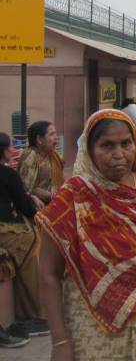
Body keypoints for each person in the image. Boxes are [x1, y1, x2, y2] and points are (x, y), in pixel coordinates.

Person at [37, 109, 136, 360]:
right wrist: (60, 340)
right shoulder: (73, 198)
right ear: (90, 150)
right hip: (93, 322)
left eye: (126, 143)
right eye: (107, 145)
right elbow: (48, 273)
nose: (118, 154)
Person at [0, 132, 47, 348]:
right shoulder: (9, 173)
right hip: (10, 232)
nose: (13, 150)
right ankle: (29, 314)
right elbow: (25, 205)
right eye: (10, 147)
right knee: (31, 246)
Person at [17, 121, 63, 205]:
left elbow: (62, 180)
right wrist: (55, 196)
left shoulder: (53, 155)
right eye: (52, 134)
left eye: (56, 134)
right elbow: (28, 189)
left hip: (53, 202)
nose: (56, 137)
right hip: (35, 206)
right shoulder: (30, 155)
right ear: (39, 139)